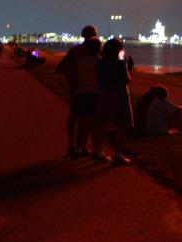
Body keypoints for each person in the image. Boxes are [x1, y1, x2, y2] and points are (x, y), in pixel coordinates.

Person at [56, 25, 99, 157]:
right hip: (84, 89)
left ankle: (73, 145)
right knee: (86, 119)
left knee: (76, 117)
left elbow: (66, 69)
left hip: (76, 88)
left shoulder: (76, 50)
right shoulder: (91, 51)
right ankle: (81, 146)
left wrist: (73, 83)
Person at [94, 38, 133, 165]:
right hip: (119, 96)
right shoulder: (120, 64)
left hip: (104, 95)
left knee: (101, 124)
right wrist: (128, 67)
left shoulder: (99, 63)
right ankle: (117, 155)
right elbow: (126, 80)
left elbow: (98, 79)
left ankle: (99, 153)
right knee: (121, 125)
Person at [68, 37, 102, 157]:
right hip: (94, 94)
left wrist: (78, 84)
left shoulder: (79, 61)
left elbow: (72, 75)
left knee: (81, 123)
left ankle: (78, 147)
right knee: (93, 123)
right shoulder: (99, 62)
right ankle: (92, 148)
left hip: (80, 93)